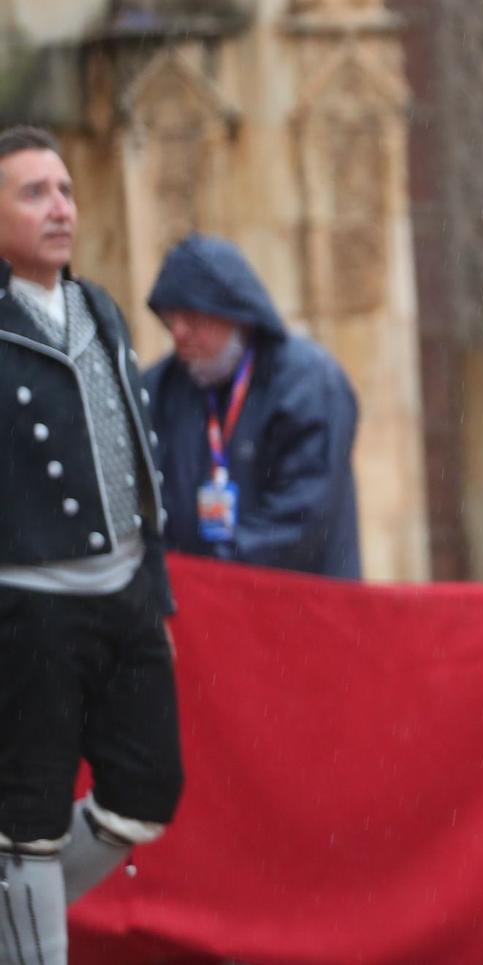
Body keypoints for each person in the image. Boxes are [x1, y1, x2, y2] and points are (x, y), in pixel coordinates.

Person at [0, 126, 183, 962]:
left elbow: (135, 447)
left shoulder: (100, 305)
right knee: (28, 821)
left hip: (125, 597)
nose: (60, 208)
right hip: (28, 608)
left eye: (66, 190)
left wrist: (156, 586)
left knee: (147, 791)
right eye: (34, 193)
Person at [144, 234, 362, 578]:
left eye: (193, 318)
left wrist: (215, 572)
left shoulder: (310, 384)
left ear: (237, 315)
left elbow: (302, 515)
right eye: (171, 319)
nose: (179, 333)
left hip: (298, 605)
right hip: (198, 609)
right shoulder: (160, 388)